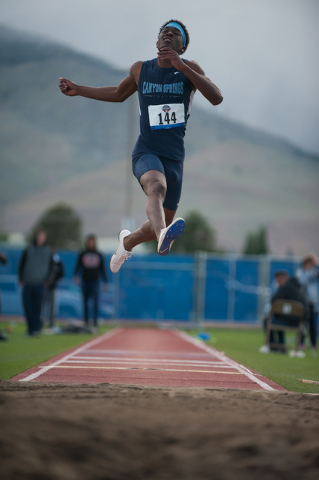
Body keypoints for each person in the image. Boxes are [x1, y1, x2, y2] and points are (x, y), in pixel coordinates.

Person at [59, 19, 223, 273]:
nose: (168, 35)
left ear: (182, 46)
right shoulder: (141, 69)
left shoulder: (190, 68)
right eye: (164, 32)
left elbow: (216, 97)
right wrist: (78, 89)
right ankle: (161, 236)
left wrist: (183, 67)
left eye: (175, 34)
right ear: (157, 42)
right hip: (146, 151)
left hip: (174, 158)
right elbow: (117, 93)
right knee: (156, 188)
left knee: (162, 218)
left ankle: (128, 241)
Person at [18, 231, 53, 336]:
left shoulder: (48, 251)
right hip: (28, 282)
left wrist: (48, 280)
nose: (40, 239)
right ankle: (30, 328)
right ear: (36, 237)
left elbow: (52, 267)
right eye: (39, 237)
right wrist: (21, 278)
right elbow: (21, 264)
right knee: (28, 306)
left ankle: (37, 328)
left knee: (38, 307)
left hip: (40, 283)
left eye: (42, 237)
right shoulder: (28, 249)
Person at [74, 234, 108, 328]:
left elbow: (102, 269)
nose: (91, 244)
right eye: (89, 242)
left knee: (95, 303)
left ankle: (95, 323)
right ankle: (86, 322)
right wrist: (76, 275)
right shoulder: (83, 253)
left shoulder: (99, 254)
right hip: (85, 281)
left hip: (95, 281)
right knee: (85, 302)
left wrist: (105, 281)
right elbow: (78, 265)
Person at [296, 253, 319, 350]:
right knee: (302, 323)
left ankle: (313, 344)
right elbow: (301, 282)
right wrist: (308, 272)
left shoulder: (315, 272)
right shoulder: (301, 272)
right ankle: (301, 343)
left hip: (313, 302)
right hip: (303, 302)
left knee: (313, 324)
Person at [42, 245, 64, 329]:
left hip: (53, 287)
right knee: (42, 308)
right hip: (43, 287)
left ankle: (51, 324)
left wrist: (53, 281)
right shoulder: (44, 260)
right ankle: (40, 324)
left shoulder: (58, 261)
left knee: (52, 308)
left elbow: (61, 273)